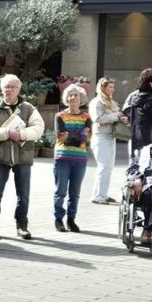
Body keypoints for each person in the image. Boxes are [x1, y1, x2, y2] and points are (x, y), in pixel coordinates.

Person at [0, 74, 45, 240]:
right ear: (1, 89)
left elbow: (39, 128)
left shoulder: (28, 108)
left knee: (23, 194)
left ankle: (22, 225)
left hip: (22, 158)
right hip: (0, 158)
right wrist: (7, 132)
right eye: (6, 87)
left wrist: (22, 134)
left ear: (19, 89)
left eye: (13, 87)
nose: (9, 90)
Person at [53, 84, 92, 233]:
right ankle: (58, 219)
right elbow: (61, 137)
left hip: (79, 159)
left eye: (76, 95)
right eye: (70, 95)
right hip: (62, 157)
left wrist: (72, 135)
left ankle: (71, 219)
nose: (73, 97)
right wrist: (78, 135)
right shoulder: (60, 116)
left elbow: (87, 138)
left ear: (81, 98)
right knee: (60, 191)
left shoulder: (86, 117)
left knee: (75, 193)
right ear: (66, 98)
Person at [89, 77, 127, 205]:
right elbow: (97, 118)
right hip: (100, 136)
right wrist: (116, 116)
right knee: (103, 166)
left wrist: (122, 118)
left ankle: (102, 194)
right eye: (109, 87)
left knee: (109, 167)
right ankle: (98, 196)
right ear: (102, 87)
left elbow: (116, 116)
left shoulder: (111, 102)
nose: (112, 89)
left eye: (113, 87)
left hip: (111, 136)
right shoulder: (97, 102)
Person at [126, 128, 152, 246]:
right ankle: (149, 227)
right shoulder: (144, 151)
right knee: (151, 192)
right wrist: (136, 179)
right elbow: (132, 169)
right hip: (147, 186)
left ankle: (148, 228)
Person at [123, 68, 152, 163]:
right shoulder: (151, 100)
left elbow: (126, 113)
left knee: (137, 172)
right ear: (151, 83)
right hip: (150, 142)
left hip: (135, 141)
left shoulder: (134, 97)